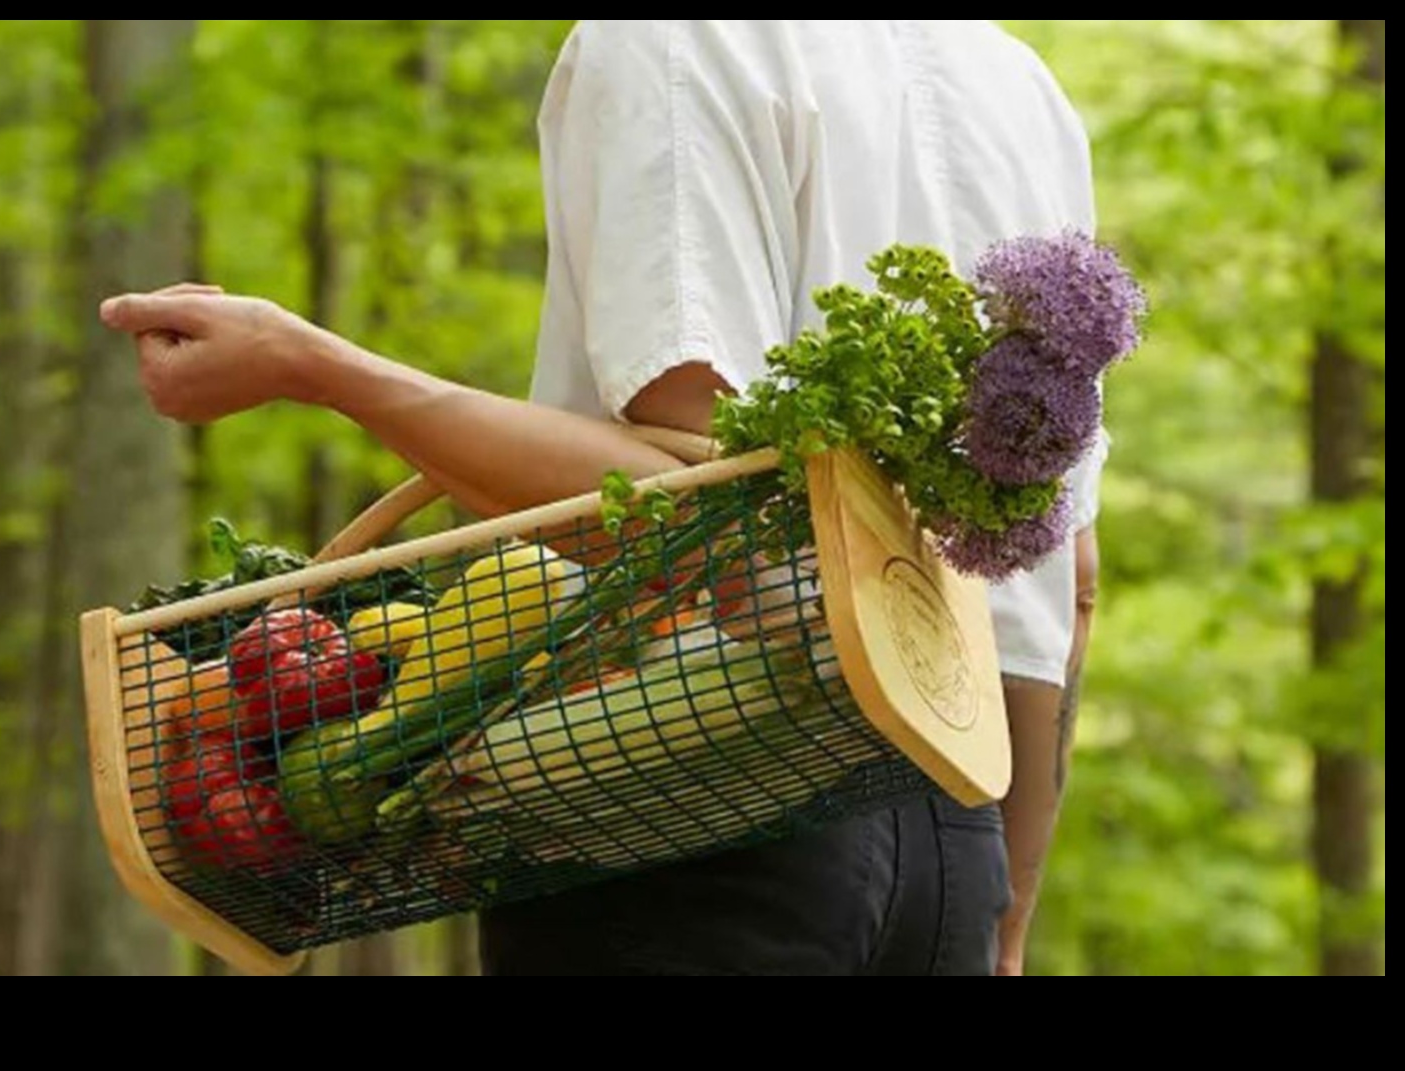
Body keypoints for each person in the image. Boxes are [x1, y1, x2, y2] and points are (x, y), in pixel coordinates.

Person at [101, 20, 1106, 976]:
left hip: (693, 795)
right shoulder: (1019, 91)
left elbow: (705, 515)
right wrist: (1003, 920)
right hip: (952, 836)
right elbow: (1065, 585)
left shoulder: (670, 41)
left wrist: (320, 369)